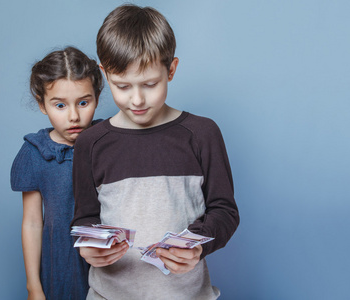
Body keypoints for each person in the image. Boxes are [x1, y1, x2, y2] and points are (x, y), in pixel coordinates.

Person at [71, 4, 239, 299]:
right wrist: (88, 247)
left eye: (150, 84)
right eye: (122, 86)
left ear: (171, 70)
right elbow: (85, 217)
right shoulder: (90, 143)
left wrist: (197, 246)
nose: (136, 99)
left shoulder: (202, 134)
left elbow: (224, 211)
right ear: (104, 73)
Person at [11, 46, 103, 300]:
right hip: (61, 266)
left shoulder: (110, 141)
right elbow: (31, 222)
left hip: (110, 264)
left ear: (97, 96)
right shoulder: (34, 153)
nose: (74, 116)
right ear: (42, 104)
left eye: (84, 102)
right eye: (60, 105)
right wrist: (33, 286)